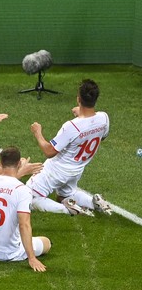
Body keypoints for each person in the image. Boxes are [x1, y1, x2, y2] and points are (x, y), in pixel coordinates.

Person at [27, 79, 112, 216]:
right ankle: (93, 202)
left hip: (56, 170)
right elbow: (101, 136)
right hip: (77, 169)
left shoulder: (71, 127)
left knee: (28, 198)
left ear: (78, 99)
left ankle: (69, 210)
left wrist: (38, 133)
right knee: (64, 196)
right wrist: (82, 116)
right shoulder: (104, 118)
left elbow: (49, 151)